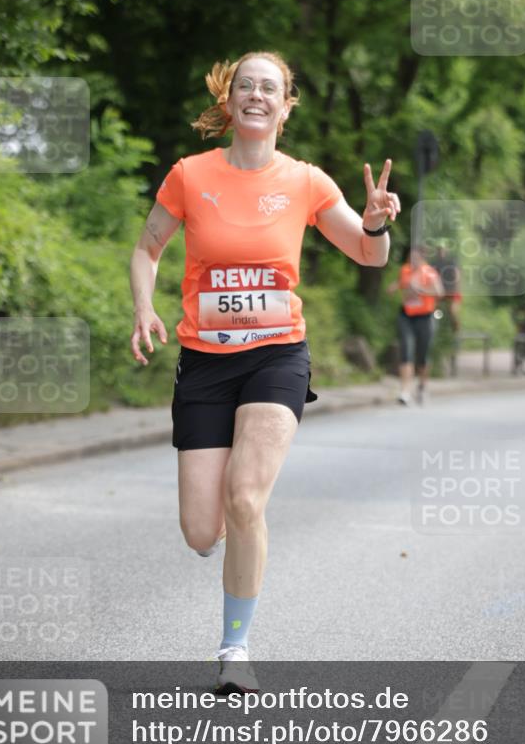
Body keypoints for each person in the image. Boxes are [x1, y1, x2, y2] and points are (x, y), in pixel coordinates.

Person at [129, 51, 400, 692]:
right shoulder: (190, 175)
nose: (256, 94)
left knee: (246, 497)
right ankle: (227, 527)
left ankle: (235, 650)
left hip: (277, 355)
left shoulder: (306, 181)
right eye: (245, 85)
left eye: (268, 88)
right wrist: (144, 305)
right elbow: (147, 248)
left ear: (285, 107)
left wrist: (375, 225)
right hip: (204, 361)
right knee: (202, 530)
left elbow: (369, 255)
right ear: (229, 104)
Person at [387, 245, 444, 405]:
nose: (412, 260)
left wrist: (421, 289)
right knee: (406, 350)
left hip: (425, 317)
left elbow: (439, 292)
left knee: (422, 355)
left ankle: (422, 386)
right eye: (410, 257)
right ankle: (405, 391)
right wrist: (394, 287)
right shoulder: (405, 270)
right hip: (406, 315)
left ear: (422, 258)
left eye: (415, 258)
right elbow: (402, 283)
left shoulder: (429, 273)